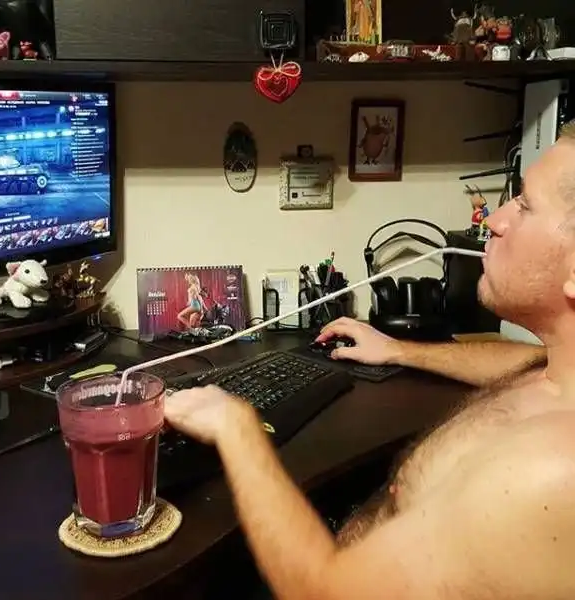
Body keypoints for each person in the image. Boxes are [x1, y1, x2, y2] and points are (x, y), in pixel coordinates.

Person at [164, 122, 575, 599]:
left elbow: (324, 593)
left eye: (524, 205)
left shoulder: (550, 473)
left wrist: (235, 427)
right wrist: (398, 349)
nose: (495, 220)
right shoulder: (556, 370)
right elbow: (522, 361)